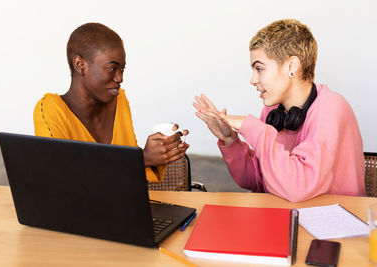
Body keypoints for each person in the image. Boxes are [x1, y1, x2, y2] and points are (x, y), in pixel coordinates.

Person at [193, 19, 365, 202]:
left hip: (332, 221)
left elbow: (297, 189)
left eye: (259, 69)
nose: (253, 79)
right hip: (287, 213)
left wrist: (254, 128)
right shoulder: (273, 110)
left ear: (291, 66)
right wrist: (230, 140)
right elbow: (257, 182)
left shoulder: (331, 109)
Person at [34, 22, 189, 182]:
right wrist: (141, 159)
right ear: (80, 65)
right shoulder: (50, 109)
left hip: (127, 204)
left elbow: (128, 177)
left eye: (122, 69)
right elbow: (61, 179)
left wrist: (162, 151)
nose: (119, 78)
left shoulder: (119, 100)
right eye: (111, 68)